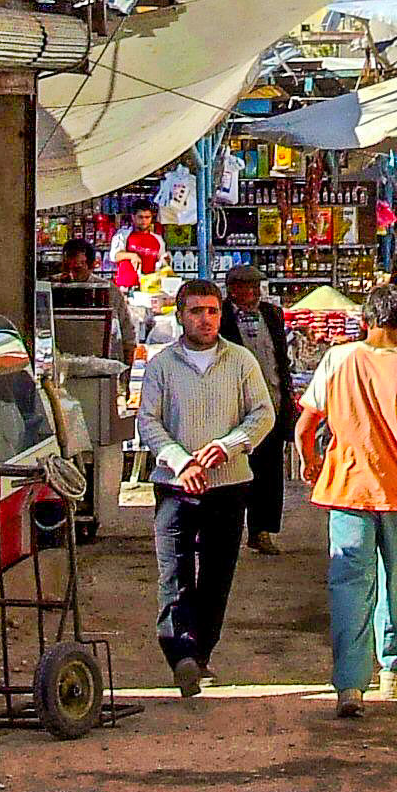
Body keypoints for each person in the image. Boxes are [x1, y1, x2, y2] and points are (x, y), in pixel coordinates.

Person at [294, 285, 397, 715]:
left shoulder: (337, 359)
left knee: (348, 585)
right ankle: (395, 672)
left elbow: (305, 426)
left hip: (346, 489)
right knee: (396, 582)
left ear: (366, 320)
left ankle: (349, 686)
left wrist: (313, 461)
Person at [134, 278, 275, 697]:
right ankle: (179, 655)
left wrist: (227, 446)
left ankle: (200, 652)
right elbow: (149, 422)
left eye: (212, 311)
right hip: (175, 489)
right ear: (180, 317)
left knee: (216, 576)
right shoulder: (162, 365)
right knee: (174, 573)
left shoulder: (241, 361)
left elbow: (262, 415)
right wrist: (181, 461)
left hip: (229, 485)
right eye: (196, 311)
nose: (206, 319)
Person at [221, 264, 297, 555]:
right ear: (233, 289)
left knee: (269, 471)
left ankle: (262, 530)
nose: (252, 293)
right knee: (235, 471)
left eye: (256, 287)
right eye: (245, 287)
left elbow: (280, 357)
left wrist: (287, 395)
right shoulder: (223, 317)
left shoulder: (271, 314)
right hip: (235, 407)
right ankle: (229, 532)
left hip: (272, 401)